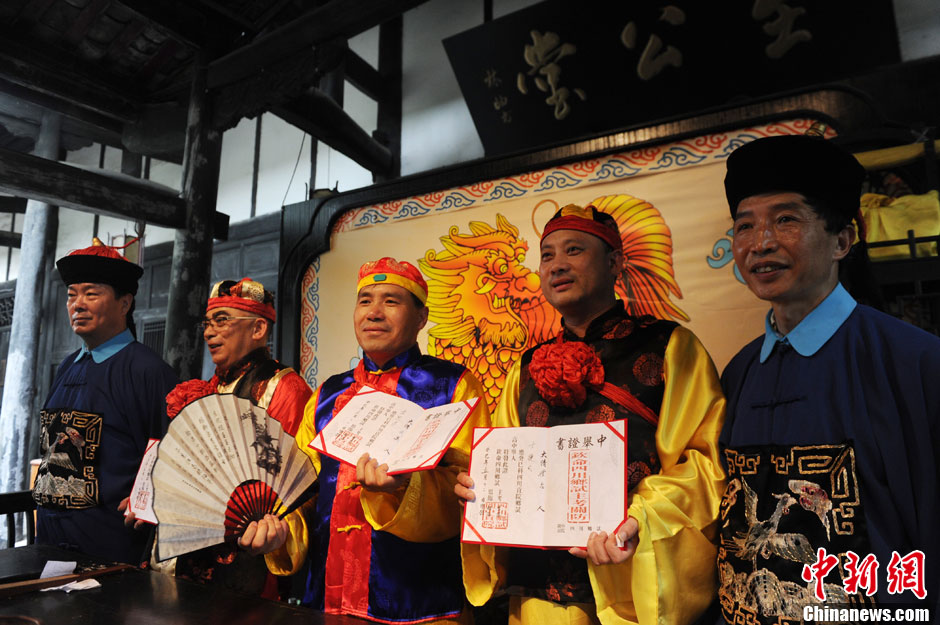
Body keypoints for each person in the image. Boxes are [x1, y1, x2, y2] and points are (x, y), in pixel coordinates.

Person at [456, 205, 727, 625]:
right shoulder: (524, 367)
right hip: (539, 591)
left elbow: (704, 464)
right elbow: (509, 467)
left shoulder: (668, 347)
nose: (557, 265)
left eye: (574, 250)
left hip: (630, 579)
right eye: (547, 255)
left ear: (615, 262)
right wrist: (481, 492)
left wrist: (639, 519)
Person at [717, 134, 940, 623]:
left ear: (843, 240)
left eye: (786, 220)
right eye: (744, 226)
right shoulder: (737, 374)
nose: (760, 243)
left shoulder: (915, 363)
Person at [246, 257, 492, 623]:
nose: (374, 313)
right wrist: (281, 531)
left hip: (420, 604)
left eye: (391, 301)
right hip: (328, 599)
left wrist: (402, 492)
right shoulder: (328, 394)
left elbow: (470, 491)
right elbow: (300, 490)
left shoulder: (452, 386)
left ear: (421, 318)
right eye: (365, 301)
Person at [149, 278, 312, 597]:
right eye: (208, 323)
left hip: (248, 555)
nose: (209, 332)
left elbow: (293, 490)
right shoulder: (209, 388)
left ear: (258, 329)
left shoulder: (283, 389)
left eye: (222, 321)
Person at [33, 237, 179, 564]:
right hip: (51, 541)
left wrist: (152, 499)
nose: (77, 304)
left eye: (91, 294)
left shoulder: (148, 371)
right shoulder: (69, 365)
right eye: (72, 295)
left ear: (124, 304)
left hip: (111, 549)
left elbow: (174, 456)